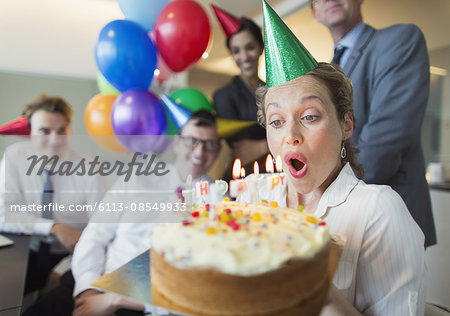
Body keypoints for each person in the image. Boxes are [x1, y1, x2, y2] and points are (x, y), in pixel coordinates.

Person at [241, 2, 426, 314]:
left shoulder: (378, 211)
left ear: (346, 124)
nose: (290, 135)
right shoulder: (255, 201)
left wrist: (323, 294)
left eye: (310, 116)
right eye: (276, 122)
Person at [22, 110, 222, 316]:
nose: (199, 152)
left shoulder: (221, 206)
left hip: (148, 304)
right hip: (94, 281)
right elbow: (95, 235)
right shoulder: (138, 178)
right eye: (192, 141)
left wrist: (116, 301)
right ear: (177, 142)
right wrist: (87, 290)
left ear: (218, 150)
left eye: (210, 144)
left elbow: (201, 286)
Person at [310, 0, 436, 247]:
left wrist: (327, 196)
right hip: (341, 220)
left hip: (390, 214)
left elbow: (388, 137)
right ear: (314, 14)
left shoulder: (400, 40)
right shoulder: (325, 72)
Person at [0, 94, 106, 294]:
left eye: (61, 130)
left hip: (71, 255)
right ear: (30, 131)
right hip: (23, 248)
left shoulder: (91, 169)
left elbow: (103, 231)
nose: (54, 139)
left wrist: (63, 268)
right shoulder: (14, 157)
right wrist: (54, 227)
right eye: (44, 131)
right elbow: (4, 214)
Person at [212, 5, 269, 181]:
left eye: (249, 47)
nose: (244, 57)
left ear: (261, 47)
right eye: (236, 51)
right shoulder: (223, 95)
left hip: (280, 176)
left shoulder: (276, 90)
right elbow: (241, 148)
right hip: (245, 179)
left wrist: (262, 146)